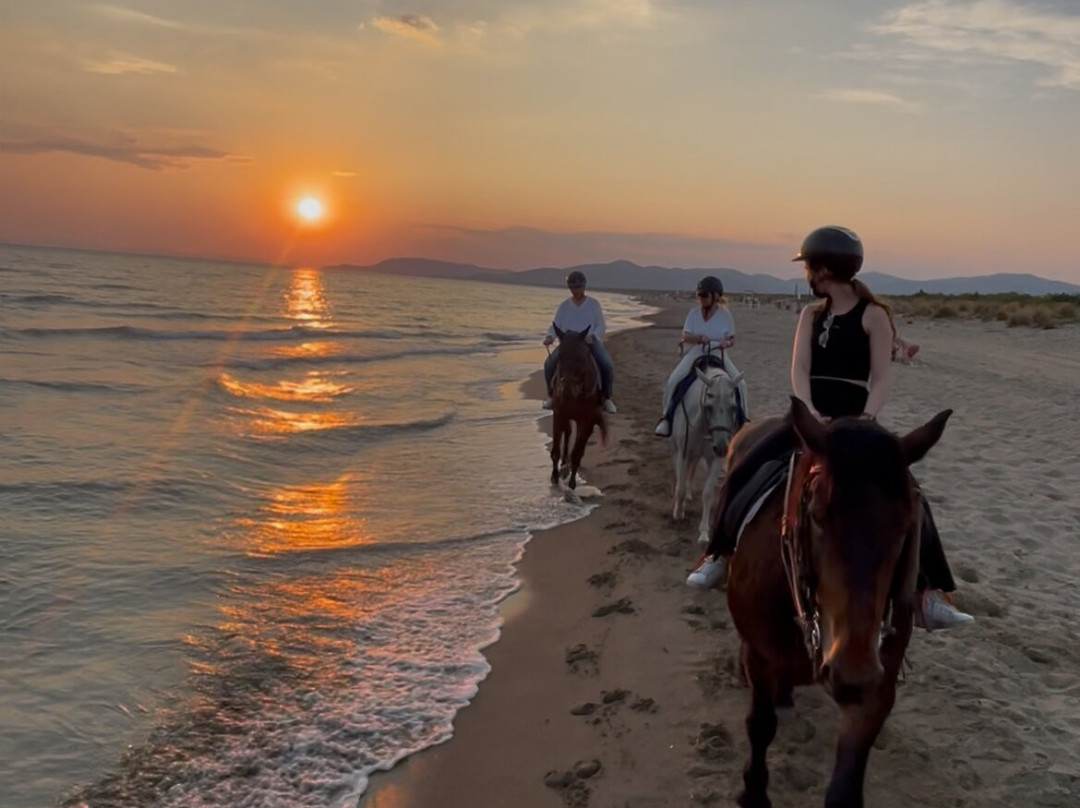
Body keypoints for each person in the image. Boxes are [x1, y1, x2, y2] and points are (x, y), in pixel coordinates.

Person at [687, 226, 972, 631]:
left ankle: (928, 592)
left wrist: (867, 418)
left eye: (809, 266)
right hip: (811, 418)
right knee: (750, 465)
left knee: (909, 492)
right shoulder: (810, 314)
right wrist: (807, 409)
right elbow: (799, 368)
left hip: (857, 422)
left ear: (823, 268)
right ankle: (718, 553)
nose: (807, 273)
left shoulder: (874, 315)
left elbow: (881, 377)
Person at [654, 276, 748, 438]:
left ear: (715, 296)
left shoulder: (725, 316)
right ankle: (666, 418)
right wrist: (699, 338)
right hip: (697, 351)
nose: (701, 299)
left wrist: (726, 343)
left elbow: (732, 339)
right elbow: (686, 335)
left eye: (704, 295)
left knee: (740, 384)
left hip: (718, 352)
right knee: (674, 380)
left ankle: (743, 421)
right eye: (699, 295)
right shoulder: (693, 314)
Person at [542, 270, 617, 414]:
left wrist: (593, 336)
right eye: (573, 287)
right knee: (549, 364)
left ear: (584, 286)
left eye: (578, 287)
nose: (576, 290)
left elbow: (601, 325)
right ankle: (551, 395)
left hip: (588, 341)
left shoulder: (593, 304)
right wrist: (550, 337)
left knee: (607, 365)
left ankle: (607, 398)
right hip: (569, 343)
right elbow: (555, 325)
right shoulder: (564, 306)